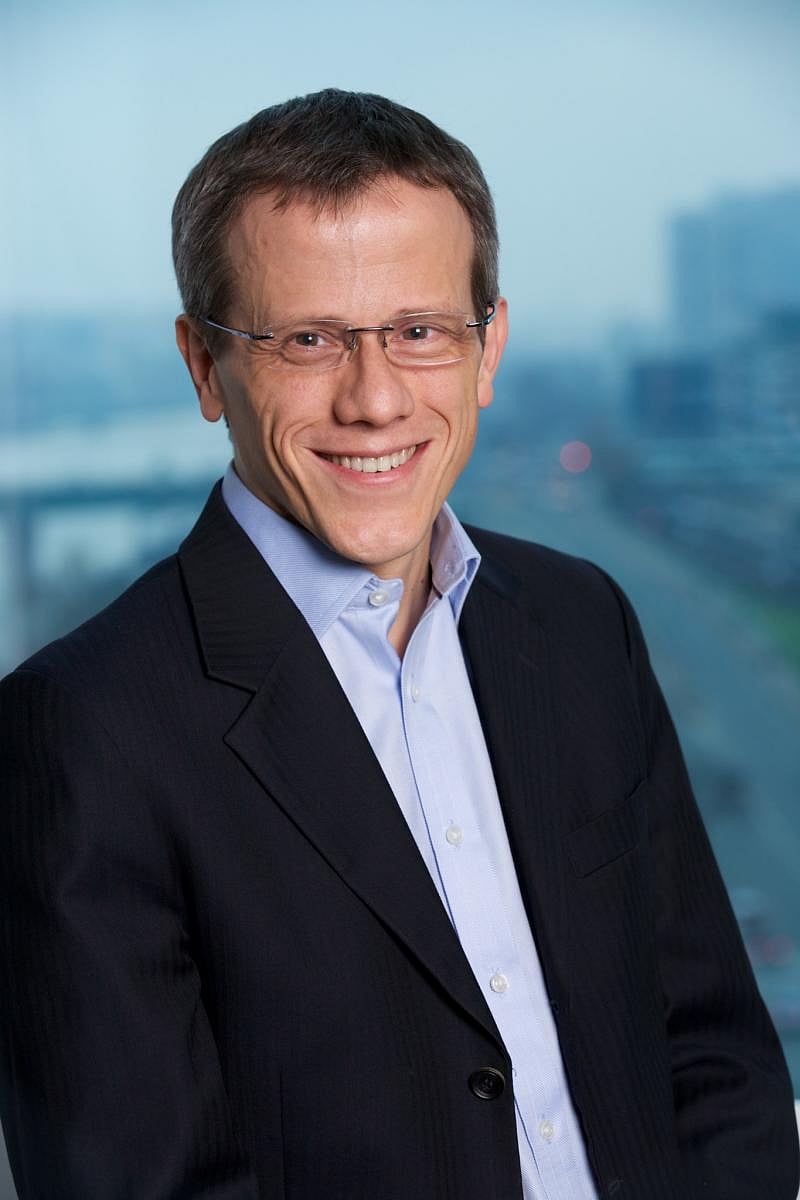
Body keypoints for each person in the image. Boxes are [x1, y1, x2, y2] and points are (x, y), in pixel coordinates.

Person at [0, 89, 797, 1200]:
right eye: (307, 339)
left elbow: (711, 1052)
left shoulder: (579, 623)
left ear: (488, 347)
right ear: (203, 364)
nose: (375, 400)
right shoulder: (80, 728)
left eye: (420, 331)